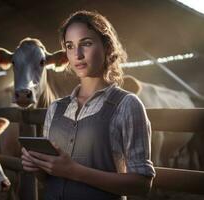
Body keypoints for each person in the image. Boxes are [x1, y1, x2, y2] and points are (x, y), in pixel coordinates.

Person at [21, 10, 156, 200]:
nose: (77, 54)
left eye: (86, 43)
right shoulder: (55, 108)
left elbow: (142, 184)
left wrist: (74, 171)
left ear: (107, 47)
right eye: (70, 46)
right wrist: (37, 166)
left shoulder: (127, 105)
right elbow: (49, 179)